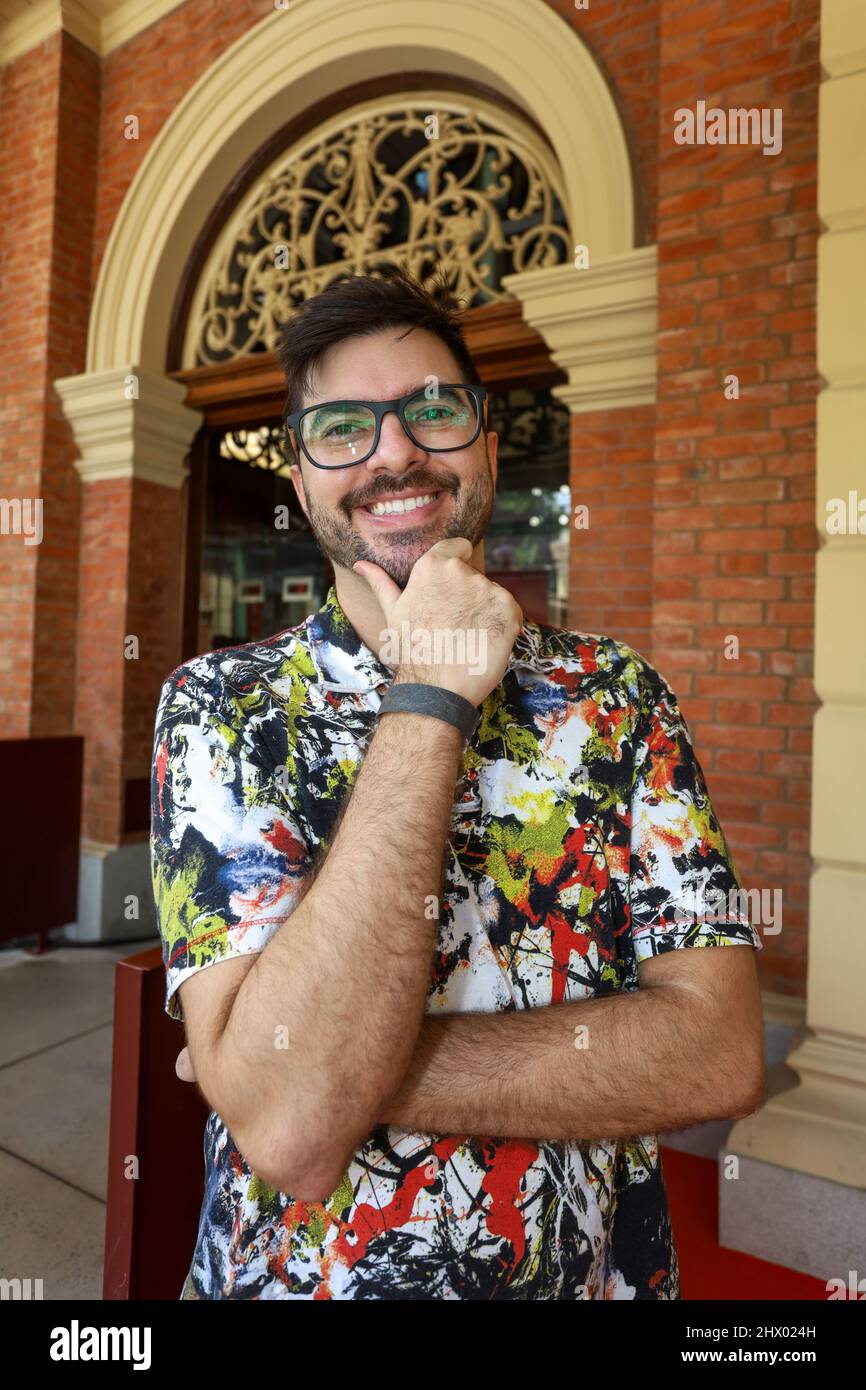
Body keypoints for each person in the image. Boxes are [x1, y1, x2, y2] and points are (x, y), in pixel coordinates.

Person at [150, 266, 765, 1300]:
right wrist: (430, 690)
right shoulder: (222, 709)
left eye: (431, 410)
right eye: (343, 426)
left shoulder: (616, 696)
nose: (393, 449)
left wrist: (312, 1072)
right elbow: (295, 1142)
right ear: (300, 478)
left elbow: (717, 1052)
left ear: (483, 443)